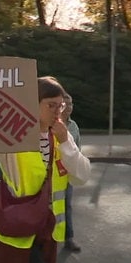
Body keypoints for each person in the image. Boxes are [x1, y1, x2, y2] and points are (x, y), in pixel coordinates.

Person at [0, 52, 91, 263]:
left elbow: (82, 176)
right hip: (12, 235)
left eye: (61, 106)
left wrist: (66, 145)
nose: (58, 112)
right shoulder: (12, 137)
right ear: (31, 104)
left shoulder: (60, 136)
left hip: (46, 234)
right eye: (51, 105)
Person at [61, 92, 82, 253]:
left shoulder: (74, 126)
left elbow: (78, 150)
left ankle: (69, 238)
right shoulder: (50, 124)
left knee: (67, 205)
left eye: (71, 104)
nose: (69, 107)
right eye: (65, 104)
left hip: (67, 174)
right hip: (51, 173)